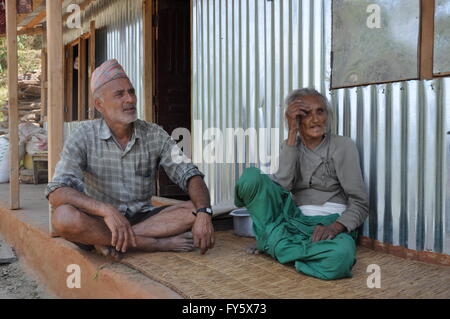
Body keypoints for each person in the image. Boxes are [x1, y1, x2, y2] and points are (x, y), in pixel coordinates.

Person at [46, 59, 214, 258]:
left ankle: (110, 242)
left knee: (194, 209)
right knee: (63, 217)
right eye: (119, 94)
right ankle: (153, 244)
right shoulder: (83, 136)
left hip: (142, 219)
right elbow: (57, 191)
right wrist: (105, 210)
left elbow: (190, 174)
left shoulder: (154, 134)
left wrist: (204, 212)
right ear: (99, 104)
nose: (130, 99)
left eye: (131, 92)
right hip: (99, 220)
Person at [234, 88, 369, 280]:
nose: (315, 119)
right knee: (251, 177)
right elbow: (283, 186)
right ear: (295, 119)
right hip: (292, 220)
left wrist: (335, 227)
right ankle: (290, 248)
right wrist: (291, 134)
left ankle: (275, 245)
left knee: (340, 258)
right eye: (306, 114)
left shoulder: (342, 145)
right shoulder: (289, 145)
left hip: (328, 225)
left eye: (320, 111)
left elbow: (360, 202)